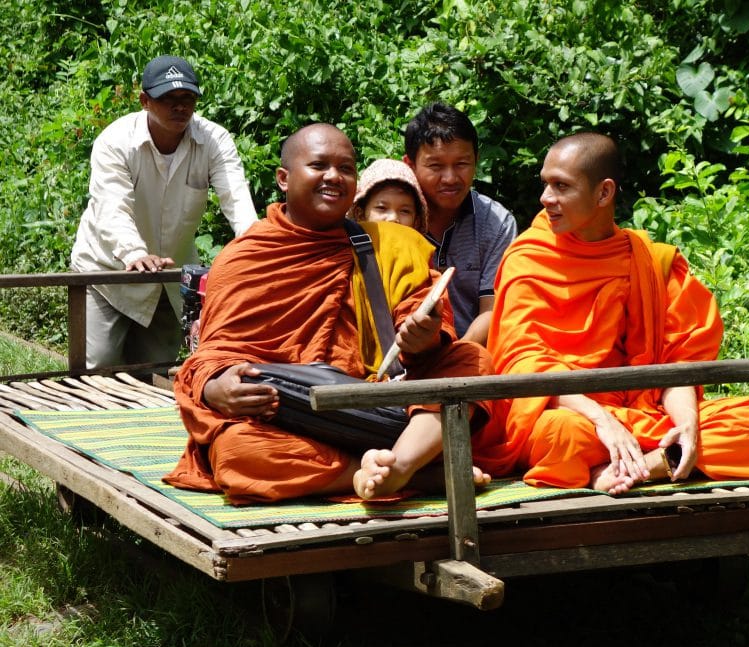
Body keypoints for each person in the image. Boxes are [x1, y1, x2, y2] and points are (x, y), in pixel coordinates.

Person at [163, 123, 493, 505]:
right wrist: (216, 388)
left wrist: (425, 336)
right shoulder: (244, 255)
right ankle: (400, 472)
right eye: (319, 166)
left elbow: (425, 330)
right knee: (237, 452)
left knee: (471, 359)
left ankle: (400, 466)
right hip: (289, 417)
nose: (335, 177)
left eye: (346, 168)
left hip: (378, 407)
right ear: (284, 178)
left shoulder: (390, 244)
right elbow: (211, 354)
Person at [473, 132, 749, 494]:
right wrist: (601, 420)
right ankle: (652, 461)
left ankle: (640, 465)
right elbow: (524, 363)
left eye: (561, 186)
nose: (545, 198)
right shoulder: (529, 258)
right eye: (545, 184)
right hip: (569, 413)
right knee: (560, 434)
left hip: (642, 413)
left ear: (604, 193)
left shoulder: (649, 261)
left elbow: (677, 368)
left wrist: (687, 424)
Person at [71, 55, 258, 369]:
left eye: (187, 98)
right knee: (96, 368)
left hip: (170, 276)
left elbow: (236, 198)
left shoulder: (214, 140)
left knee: (157, 372)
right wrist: (133, 252)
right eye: (168, 99)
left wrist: (258, 247)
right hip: (107, 272)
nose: (180, 107)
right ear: (145, 100)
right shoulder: (116, 142)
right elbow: (111, 206)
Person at [403, 103, 516, 345]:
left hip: (470, 355)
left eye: (462, 164)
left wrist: (454, 360)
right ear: (410, 165)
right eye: (436, 166)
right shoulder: (393, 218)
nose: (451, 178)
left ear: (476, 159)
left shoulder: (497, 223)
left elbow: (492, 311)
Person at [347, 158, 428, 231]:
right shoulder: (350, 246)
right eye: (381, 208)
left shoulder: (419, 247)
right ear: (360, 215)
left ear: (416, 222)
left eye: (405, 211)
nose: (393, 218)